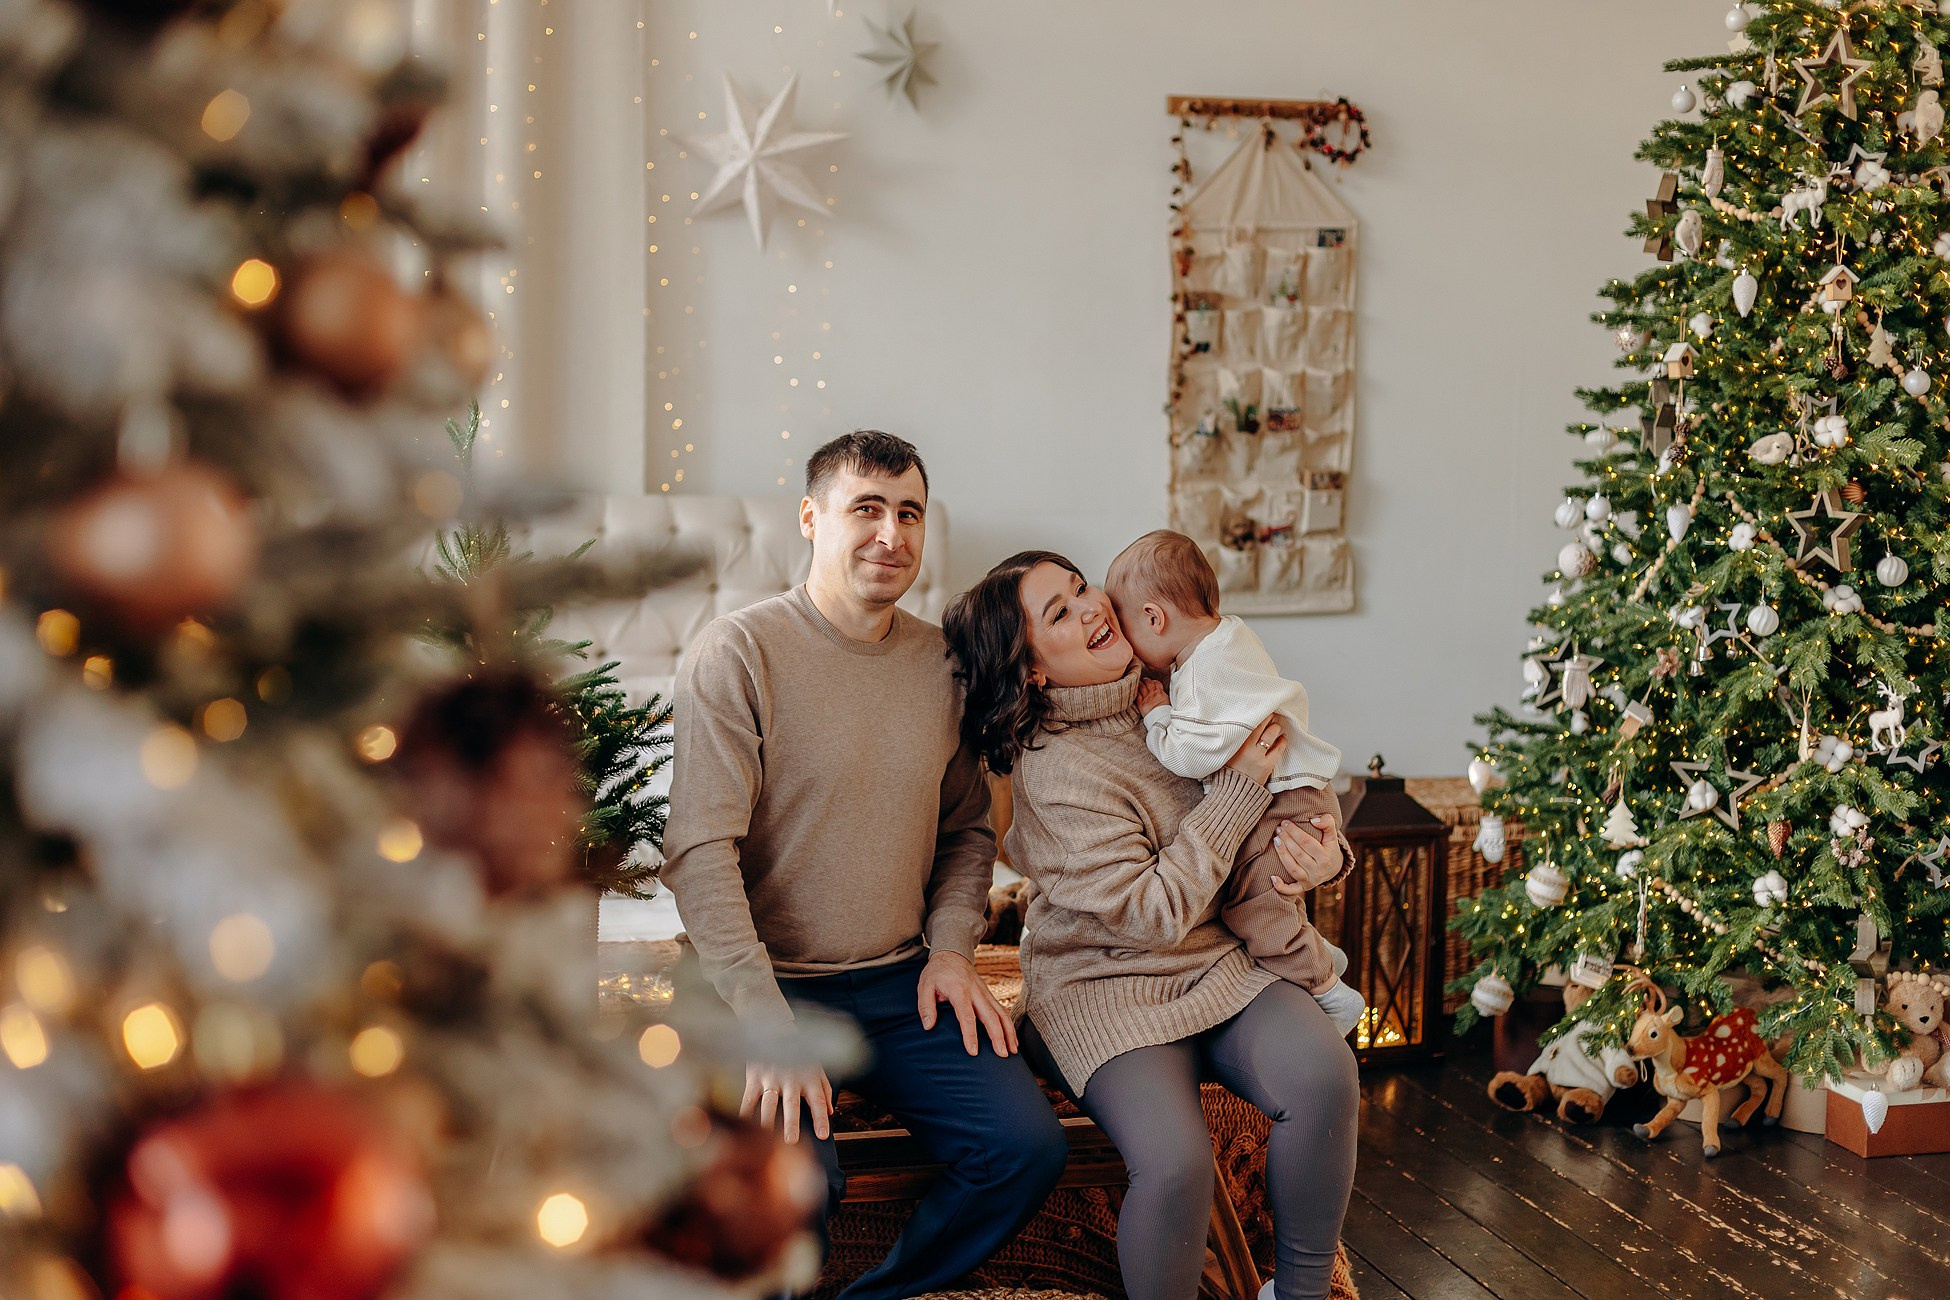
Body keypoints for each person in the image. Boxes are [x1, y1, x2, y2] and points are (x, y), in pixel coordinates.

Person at [661, 433, 1066, 1299]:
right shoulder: (736, 655)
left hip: (897, 982)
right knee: (796, 1189)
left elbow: (966, 832)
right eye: (867, 510)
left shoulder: (944, 666)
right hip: (764, 987)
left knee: (1024, 1149)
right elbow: (699, 855)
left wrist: (954, 949)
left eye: (909, 513)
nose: (892, 535)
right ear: (811, 519)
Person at [942, 550, 1358, 1300]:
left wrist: (1325, 857)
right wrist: (1236, 788)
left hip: (1215, 960)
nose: (1092, 607)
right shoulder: (1054, 771)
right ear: (1031, 667)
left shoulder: (1192, 685)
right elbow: (1154, 914)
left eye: (1080, 588)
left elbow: (1292, 785)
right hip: (1103, 983)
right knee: (1176, 1163)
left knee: (1325, 1074)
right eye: (1060, 613)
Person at [1105, 529, 1367, 1035]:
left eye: (1126, 624)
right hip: (1299, 792)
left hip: (1283, 803)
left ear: (1154, 618)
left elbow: (1190, 754)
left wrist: (1159, 716)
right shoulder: (1231, 635)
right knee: (1260, 898)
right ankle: (1308, 948)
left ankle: (1328, 991)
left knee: (1254, 908)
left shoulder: (1203, 674)